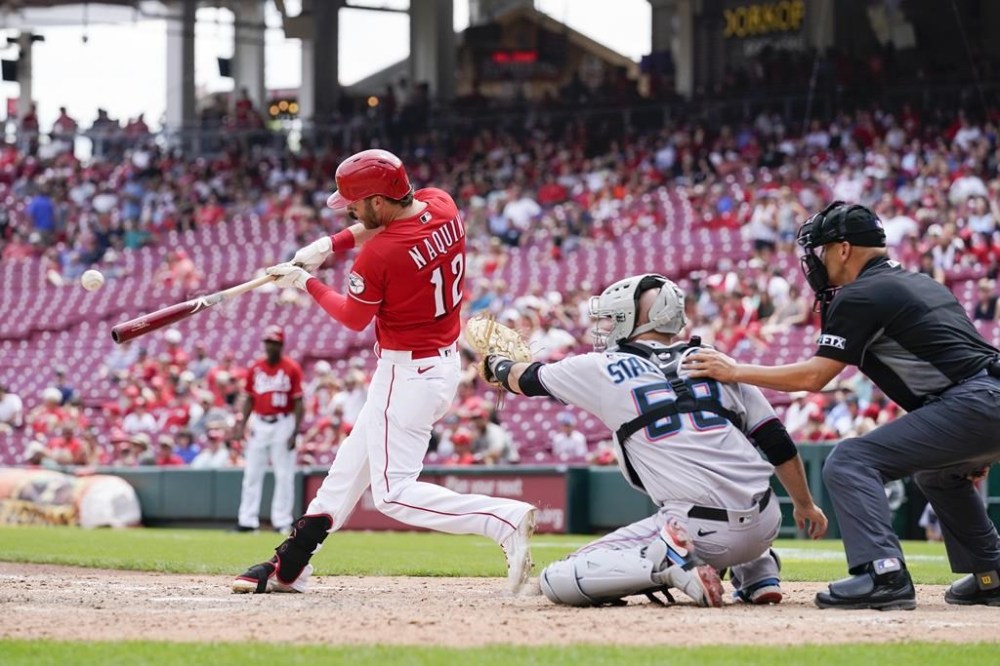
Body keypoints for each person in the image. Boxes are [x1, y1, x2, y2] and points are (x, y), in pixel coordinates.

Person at [232, 148, 536, 595]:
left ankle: (503, 520)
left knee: (393, 494)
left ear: (378, 201)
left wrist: (306, 281)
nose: (349, 210)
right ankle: (292, 563)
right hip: (438, 365)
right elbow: (388, 225)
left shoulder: (381, 255)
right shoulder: (442, 204)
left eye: (354, 203)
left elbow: (354, 318)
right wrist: (326, 247)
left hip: (407, 373)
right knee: (349, 466)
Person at [683, 201, 1000, 610]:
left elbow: (813, 379)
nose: (816, 261)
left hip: (976, 402)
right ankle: (992, 573)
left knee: (850, 459)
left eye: (822, 249)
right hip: (984, 396)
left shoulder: (861, 295)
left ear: (844, 249)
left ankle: (882, 574)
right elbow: (954, 363)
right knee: (938, 476)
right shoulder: (922, 283)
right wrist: (974, 441)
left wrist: (734, 370)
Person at [482, 274, 827, 607]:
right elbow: (777, 441)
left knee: (556, 580)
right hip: (765, 521)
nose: (607, 326)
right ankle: (759, 572)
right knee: (726, 471)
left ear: (634, 319)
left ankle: (670, 564)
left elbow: (525, 379)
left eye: (614, 318)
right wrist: (804, 504)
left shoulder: (601, 366)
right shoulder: (716, 360)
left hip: (698, 529)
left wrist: (495, 363)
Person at [232, 326, 304, 535]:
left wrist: (295, 431)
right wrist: (242, 424)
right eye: (267, 342)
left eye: (273, 342)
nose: (269, 345)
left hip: (283, 422)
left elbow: (299, 402)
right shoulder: (256, 367)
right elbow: (249, 399)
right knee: (252, 474)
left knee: (284, 475)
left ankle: (282, 521)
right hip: (260, 422)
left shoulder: (291, 367)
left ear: (281, 344)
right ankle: (247, 520)